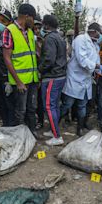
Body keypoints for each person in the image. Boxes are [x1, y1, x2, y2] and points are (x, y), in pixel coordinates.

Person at [60, 22, 102, 136]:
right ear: (93, 31)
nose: (100, 36)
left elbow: (96, 64)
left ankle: (80, 129)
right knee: (67, 105)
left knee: (82, 105)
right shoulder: (80, 39)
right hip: (75, 78)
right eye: (99, 33)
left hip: (86, 80)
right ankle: (55, 126)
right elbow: (82, 61)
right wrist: (99, 67)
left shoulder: (95, 45)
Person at [3, 3, 39, 136]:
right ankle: (19, 136)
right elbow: (7, 58)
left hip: (33, 79)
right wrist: (18, 82)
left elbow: (31, 54)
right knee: (20, 110)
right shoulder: (9, 30)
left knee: (32, 108)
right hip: (20, 81)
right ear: (26, 16)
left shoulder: (29, 32)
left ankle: (32, 132)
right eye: (33, 19)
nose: (34, 22)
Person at [38, 15, 67, 146]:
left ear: (47, 25)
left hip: (52, 76)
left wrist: (40, 70)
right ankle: (53, 129)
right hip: (60, 75)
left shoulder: (49, 38)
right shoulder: (59, 37)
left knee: (49, 106)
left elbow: (49, 59)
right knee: (54, 105)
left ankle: (57, 136)